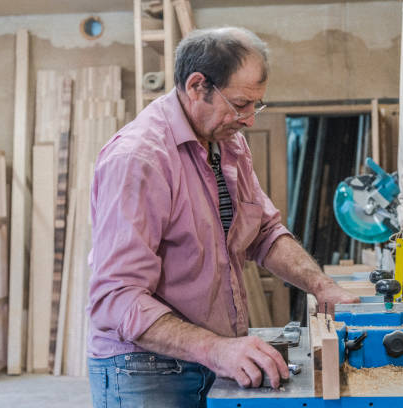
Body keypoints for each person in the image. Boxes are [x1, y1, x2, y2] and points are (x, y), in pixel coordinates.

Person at [86, 27, 359, 408]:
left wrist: (320, 286)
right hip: (145, 368)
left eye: (255, 105)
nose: (249, 119)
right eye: (241, 104)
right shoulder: (139, 159)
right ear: (197, 86)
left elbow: (263, 231)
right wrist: (216, 349)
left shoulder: (227, 143)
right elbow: (116, 297)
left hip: (209, 357)